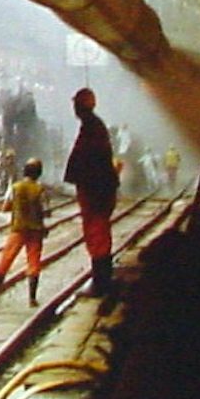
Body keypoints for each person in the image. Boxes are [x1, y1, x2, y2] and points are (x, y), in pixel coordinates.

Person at [63, 87, 119, 294]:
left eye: (76, 104)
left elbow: (90, 160)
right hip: (97, 187)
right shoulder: (93, 125)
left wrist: (85, 184)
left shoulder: (92, 127)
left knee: (96, 231)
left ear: (82, 105)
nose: (74, 108)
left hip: (95, 189)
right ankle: (102, 278)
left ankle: (101, 281)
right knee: (97, 230)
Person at [0, 158, 48, 305]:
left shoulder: (15, 187)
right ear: (39, 173)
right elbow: (46, 211)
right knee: (34, 261)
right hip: (35, 230)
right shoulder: (40, 189)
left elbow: (5, 207)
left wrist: (18, 208)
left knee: (6, 258)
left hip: (18, 229)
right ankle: (32, 298)